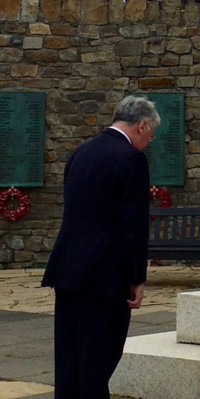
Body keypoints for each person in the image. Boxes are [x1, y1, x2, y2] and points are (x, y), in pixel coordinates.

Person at [42, 96, 160, 399]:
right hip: (106, 275)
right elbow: (133, 225)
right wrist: (137, 278)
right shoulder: (130, 159)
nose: (150, 140)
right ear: (142, 124)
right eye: (150, 134)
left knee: (69, 357)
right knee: (100, 356)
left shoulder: (80, 153)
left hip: (69, 269)